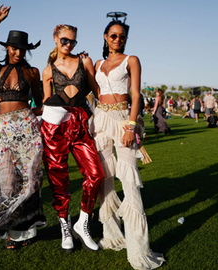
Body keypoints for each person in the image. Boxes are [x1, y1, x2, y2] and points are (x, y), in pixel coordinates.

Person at [0, 5, 46, 250]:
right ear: (7, 48)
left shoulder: (32, 72)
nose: (17, 52)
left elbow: (42, 104)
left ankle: (21, 234)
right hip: (6, 135)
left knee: (30, 183)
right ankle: (5, 226)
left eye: (22, 49)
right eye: (14, 48)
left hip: (29, 132)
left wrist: (25, 114)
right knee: (5, 183)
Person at [92, 19, 165, 269]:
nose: (117, 39)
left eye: (122, 36)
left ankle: (138, 250)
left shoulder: (131, 59)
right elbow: (91, 92)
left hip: (124, 120)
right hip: (100, 120)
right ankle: (112, 236)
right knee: (105, 178)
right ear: (105, 37)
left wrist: (132, 125)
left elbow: (135, 95)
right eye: (113, 36)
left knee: (130, 182)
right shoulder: (96, 63)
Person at [41, 23, 104, 253]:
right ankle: (64, 225)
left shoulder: (84, 61)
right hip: (54, 128)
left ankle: (83, 223)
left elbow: (96, 90)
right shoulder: (47, 71)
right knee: (59, 180)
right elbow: (46, 102)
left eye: (73, 41)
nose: (69, 45)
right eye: (65, 40)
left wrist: (120, 111)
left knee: (95, 174)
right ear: (55, 39)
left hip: (79, 125)